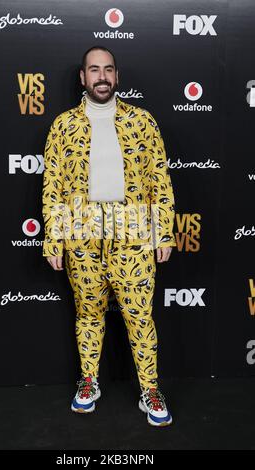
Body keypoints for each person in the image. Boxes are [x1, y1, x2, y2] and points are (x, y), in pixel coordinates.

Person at [42, 45, 177, 427]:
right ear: (82, 78)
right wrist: (54, 237)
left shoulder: (142, 121)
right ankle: (89, 382)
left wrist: (162, 233)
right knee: (88, 313)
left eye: (108, 70)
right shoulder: (63, 125)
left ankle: (150, 389)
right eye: (94, 70)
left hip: (133, 228)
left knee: (140, 316)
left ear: (117, 77)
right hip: (81, 229)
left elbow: (160, 182)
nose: (102, 77)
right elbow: (52, 185)